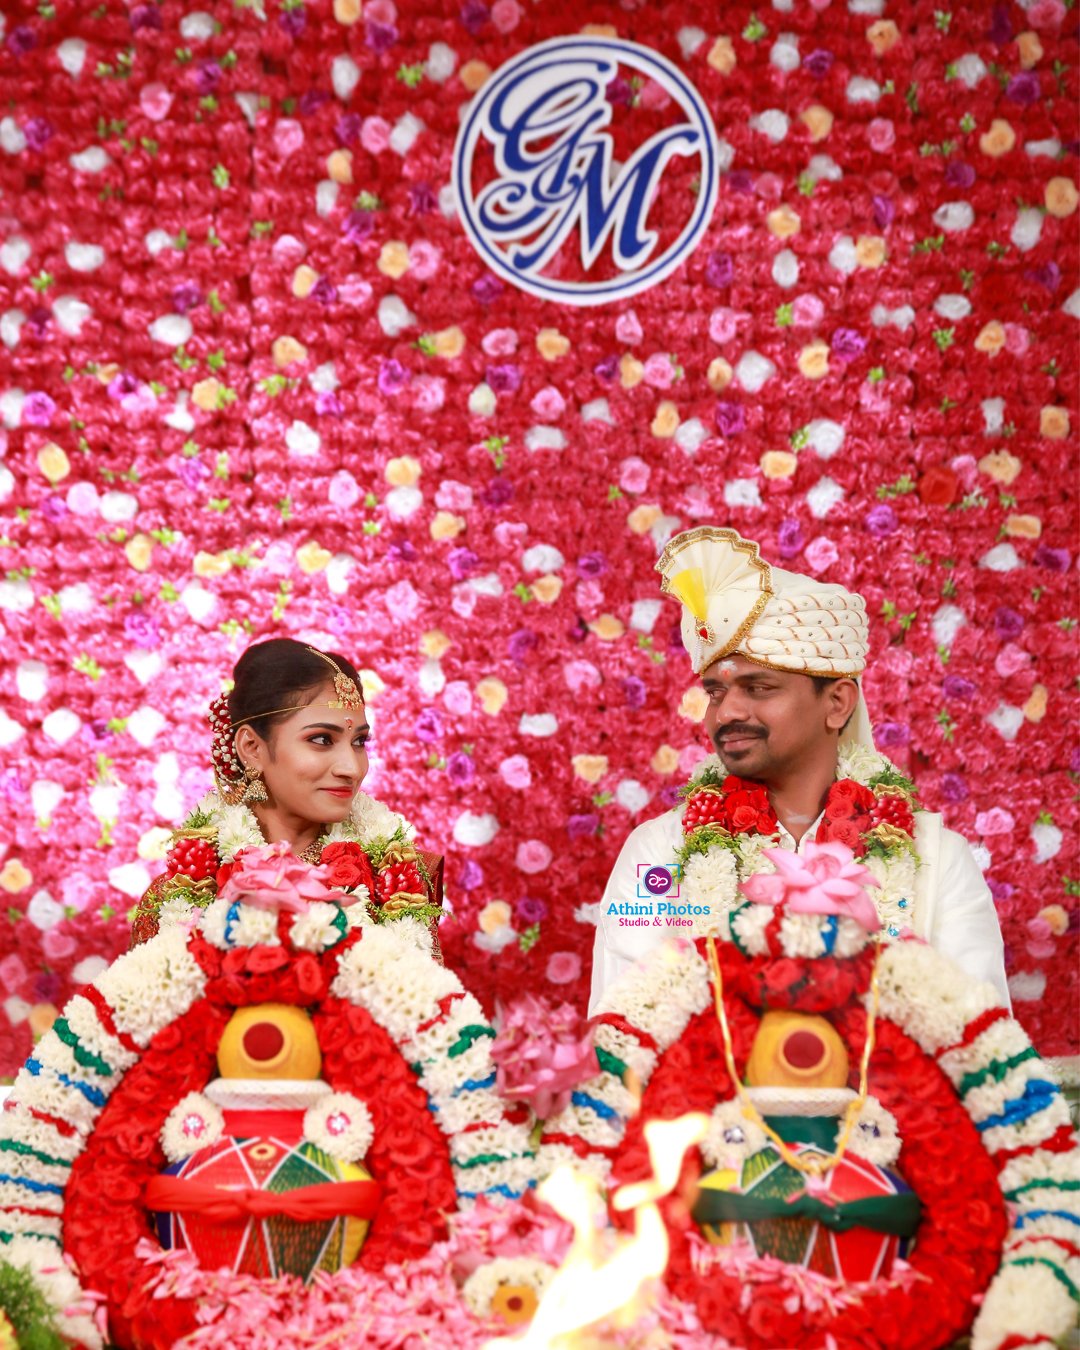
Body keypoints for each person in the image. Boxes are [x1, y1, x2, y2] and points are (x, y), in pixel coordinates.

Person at [588, 527, 1009, 1012]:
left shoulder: (936, 863)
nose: (726, 714)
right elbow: (618, 1035)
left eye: (760, 688)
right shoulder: (657, 857)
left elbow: (982, 1052)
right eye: (717, 692)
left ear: (837, 703)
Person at [131, 638, 443, 946]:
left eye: (359, 742)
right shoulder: (181, 892)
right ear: (251, 748)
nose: (352, 767)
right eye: (321, 739)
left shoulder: (399, 882)